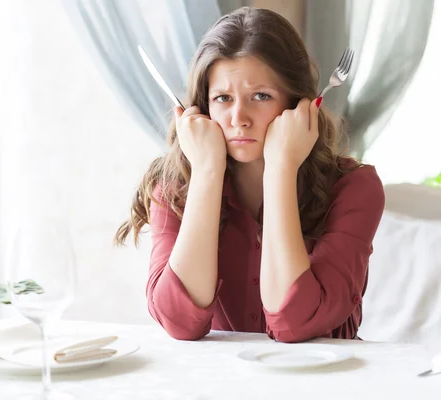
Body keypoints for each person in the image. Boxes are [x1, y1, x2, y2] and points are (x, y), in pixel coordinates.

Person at [115, 6, 385, 343]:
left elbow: (294, 323)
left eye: (261, 96)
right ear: (202, 108)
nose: (238, 117)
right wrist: (207, 172)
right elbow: (179, 322)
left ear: (297, 104)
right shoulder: (173, 187)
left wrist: (281, 169)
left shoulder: (356, 188)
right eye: (223, 98)